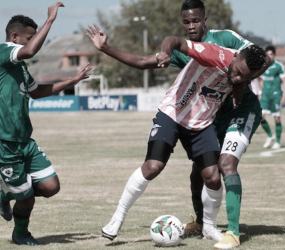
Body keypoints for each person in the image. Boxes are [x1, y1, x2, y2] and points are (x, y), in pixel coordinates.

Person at [87, 1, 270, 248]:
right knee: (153, 166)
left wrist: (239, 85)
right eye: (187, 21)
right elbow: (167, 45)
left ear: (205, 20)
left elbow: (261, 61)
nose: (191, 25)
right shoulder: (210, 52)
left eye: (196, 20)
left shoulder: (228, 41)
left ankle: (209, 227)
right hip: (173, 114)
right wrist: (107, 48)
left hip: (204, 121)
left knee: (212, 176)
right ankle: (116, 219)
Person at [0, 3, 92, 246]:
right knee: (27, 199)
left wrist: (72, 80)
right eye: (29, 38)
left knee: (51, 186)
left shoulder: (20, 66)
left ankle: (6, 192)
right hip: (5, 143)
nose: (33, 43)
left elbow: (37, 92)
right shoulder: (2, 52)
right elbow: (30, 51)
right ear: (14, 36)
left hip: (25, 141)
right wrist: (50, 21)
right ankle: (20, 234)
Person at [259, 45, 285, 150]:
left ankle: (278, 142)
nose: (269, 56)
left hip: (276, 95)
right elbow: (261, 80)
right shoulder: (262, 65)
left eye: (271, 54)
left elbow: (284, 81)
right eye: (267, 54)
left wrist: (284, 95)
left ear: (274, 55)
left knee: (277, 118)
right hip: (265, 95)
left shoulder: (279, 66)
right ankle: (270, 136)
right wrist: (260, 93)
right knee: (260, 117)